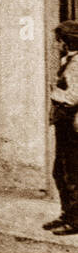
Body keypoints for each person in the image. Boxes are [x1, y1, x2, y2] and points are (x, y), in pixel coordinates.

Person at [45, 20, 78, 235]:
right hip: (63, 124)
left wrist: (53, 93)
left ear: (66, 42)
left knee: (71, 174)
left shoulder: (77, 64)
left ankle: (75, 221)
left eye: (59, 41)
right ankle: (66, 214)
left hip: (72, 125)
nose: (57, 45)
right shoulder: (69, 61)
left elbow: (73, 97)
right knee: (60, 171)